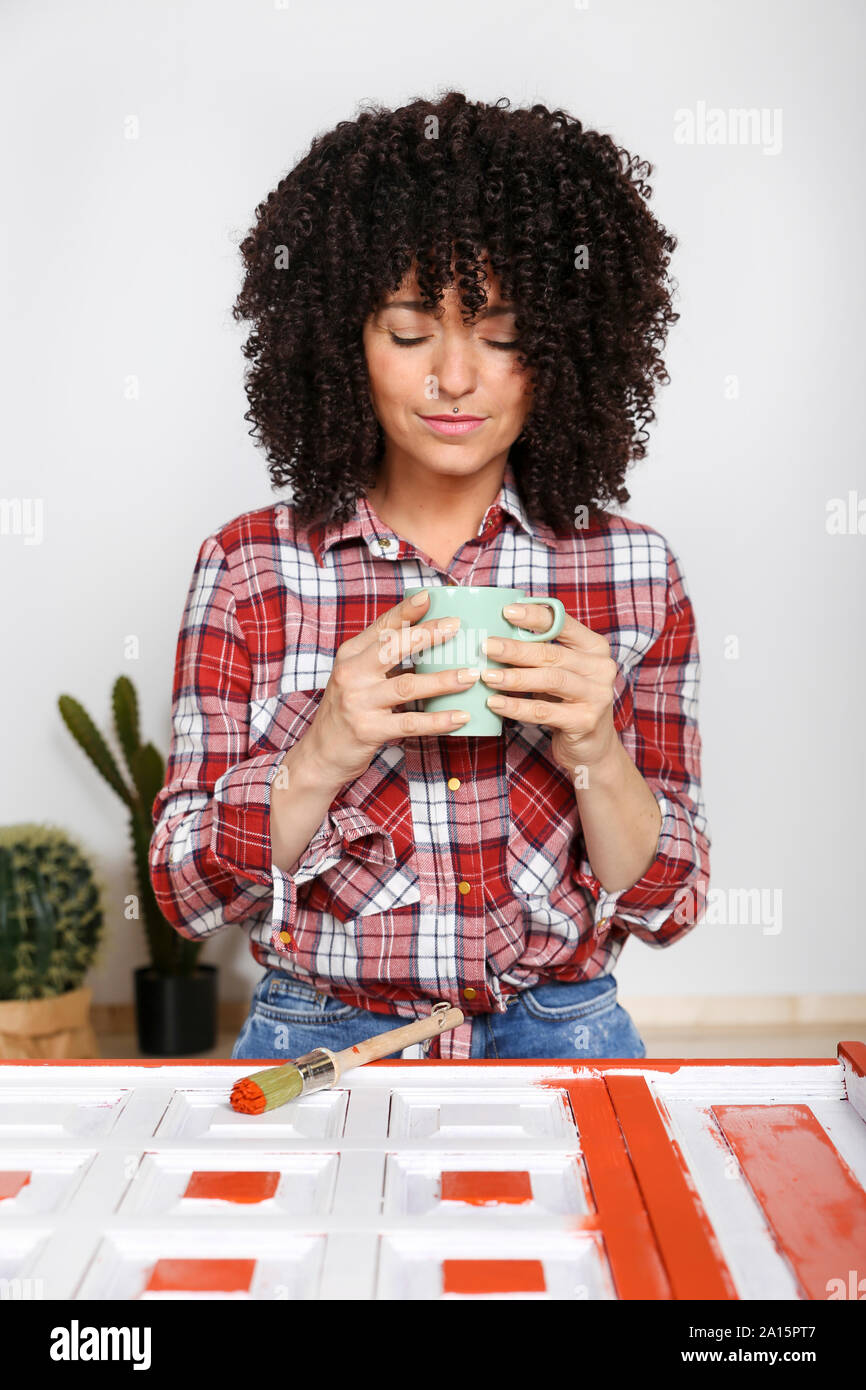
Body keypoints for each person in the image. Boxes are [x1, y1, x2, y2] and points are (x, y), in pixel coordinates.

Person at [149, 91, 710, 1062]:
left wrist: (593, 748)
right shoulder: (249, 568)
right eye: (409, 333)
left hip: (563, 1030)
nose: (454, 376)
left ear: (566, 350)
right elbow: (188, 897)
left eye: (501, 336)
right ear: (338, 342)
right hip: (320, 1040)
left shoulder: (631, 572)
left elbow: (667, 904)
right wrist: (322, 748)